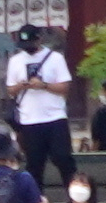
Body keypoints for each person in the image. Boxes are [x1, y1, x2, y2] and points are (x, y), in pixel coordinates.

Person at [8, 30, 76, 194]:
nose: (28, 48)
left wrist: (44, 85)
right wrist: (21, 86)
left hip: (55, 117)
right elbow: (10, 90)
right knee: (34, 164)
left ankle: (75, 196)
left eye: (31, 44)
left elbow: (65, 87)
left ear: (39, 40)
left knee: (63, 158)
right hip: (29, 120)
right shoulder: (16, 61)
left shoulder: (55, 58)